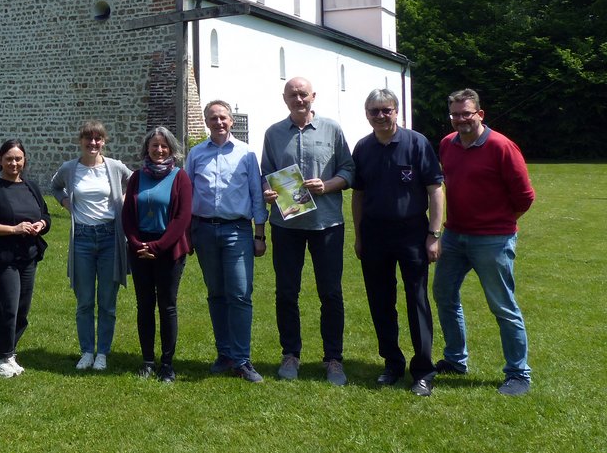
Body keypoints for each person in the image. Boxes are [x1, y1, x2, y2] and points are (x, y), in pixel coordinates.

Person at [432, 89, 536, 396]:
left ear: (480, 114)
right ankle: (455, 360)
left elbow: (525, 197)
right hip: (454, 236)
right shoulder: (447, 145)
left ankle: (518, 373)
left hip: (493, 239)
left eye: (467, 113)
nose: (461, 119)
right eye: (455, 114)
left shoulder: (501, 146)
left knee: (502, 305)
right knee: (444, 294)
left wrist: (500, 224)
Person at [262, 77, 355, 385]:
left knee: (330, 293)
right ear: (284, 98)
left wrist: (328, 185)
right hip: (286, 224)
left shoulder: (332, 128)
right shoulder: (273, 133)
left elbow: (348, 169)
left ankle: (333, 359)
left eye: (303, 94)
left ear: (313, 96)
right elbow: (266, 173)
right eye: (293, 95)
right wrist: (267, 190)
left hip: (326, 224)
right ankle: (290, 354)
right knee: (287, 292)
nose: (298, 99)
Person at [351, 89, 444, 397]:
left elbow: (435, 189)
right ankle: (392, 364)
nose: (380, 116)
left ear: (396, 111)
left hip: (412, 233)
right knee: (380, 302)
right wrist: (359, 235)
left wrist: (434, 234)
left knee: (416, 300)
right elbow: (358, 195)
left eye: (386, 110)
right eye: (374, 111)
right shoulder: (363, 148)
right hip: (375, 233)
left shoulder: (416, 143)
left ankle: (423, 371)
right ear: (367, 115)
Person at [186, 99, 268, 383]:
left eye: (223, 118)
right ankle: (225, 355)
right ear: (206, 122)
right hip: (204, 230)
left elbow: (257, 196)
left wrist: (260, 234)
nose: (218, 122)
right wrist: (187, 234)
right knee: (216, 294)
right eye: (212, 118)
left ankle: (242, 359)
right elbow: (186, 196)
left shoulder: (246, 154)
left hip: (238, 231)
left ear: (231, 121)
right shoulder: (196, 154)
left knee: (240, 295)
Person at [49, 120, 131, 371]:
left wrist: (123, 200)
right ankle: (86, 351)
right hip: (82, 239)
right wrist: (66, 204)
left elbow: (135, 181)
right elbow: (55, 187)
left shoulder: (115, 167)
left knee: (107, 301)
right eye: (88, 138)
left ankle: (102, 353)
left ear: (104, 141)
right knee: (84, 300)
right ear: (81, 141)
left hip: (110, 239)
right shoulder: (70, 168)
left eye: (98, 139)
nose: (93, 143)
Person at [0, 139, 51, 378]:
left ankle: (9, 352)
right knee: (7, 309)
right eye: (9, 159)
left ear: (24, 160)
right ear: (0, 161)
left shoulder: (31, 187)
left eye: (18, 158)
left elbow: (45, 214)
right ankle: (0, 359)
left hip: (28, 256)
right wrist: (14, 229)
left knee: (22, 311)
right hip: (2, 258)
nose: (14, 163)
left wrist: (41, 224)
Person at [121, 126, 192, 382]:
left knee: (167, 305)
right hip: (139, 249)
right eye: (154, 146)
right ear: (147, 149)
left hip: (169, 249)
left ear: (171, 149)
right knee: (145, 306)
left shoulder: (180, 177)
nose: (159, 150)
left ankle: (167, 364)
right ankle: (148, 361)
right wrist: (137, 243)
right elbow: (127, 215)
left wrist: (158, 247)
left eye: (164, 146)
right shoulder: (137, 177)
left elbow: (182, 218)